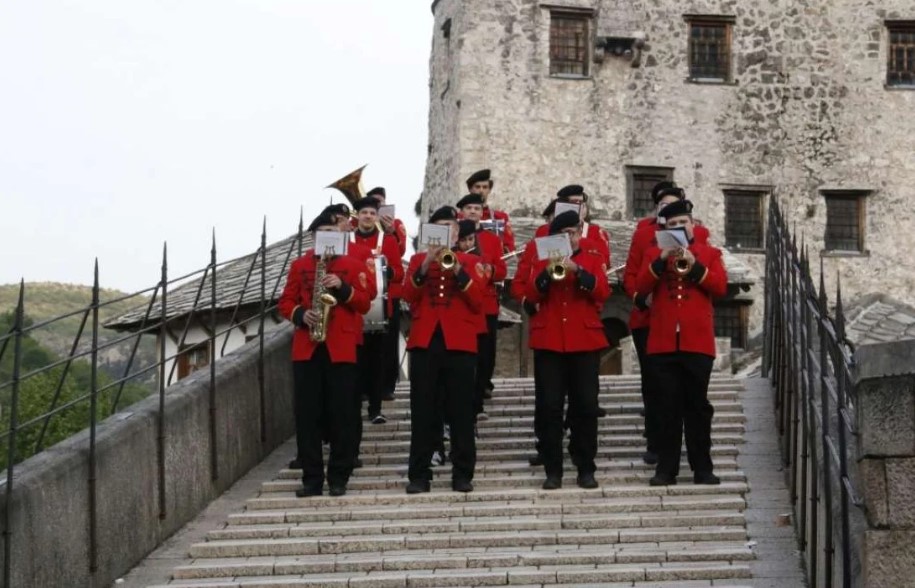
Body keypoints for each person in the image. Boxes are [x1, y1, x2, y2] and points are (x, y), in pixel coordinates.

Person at [277, 211, 375, 497]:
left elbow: (365, 303)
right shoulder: (299, 265)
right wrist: (299, 314)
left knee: (343, 414)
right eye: (321, 234)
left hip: (341, 349)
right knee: (307, 416)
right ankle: (311, 479)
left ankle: (339, 476)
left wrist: (342, 287)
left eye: (331, 232)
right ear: (314, 238)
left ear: (340, 235)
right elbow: (285, 302)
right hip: (307, 348)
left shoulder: (353, 264)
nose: (326, 238)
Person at [635, 199, 727, 486]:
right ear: (664, 228)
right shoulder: (654, 254)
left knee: (697, 407)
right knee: (666, 407)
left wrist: (695, 264)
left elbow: (720, 287)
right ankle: (666, 469)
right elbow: (639, 288)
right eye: (672, 225)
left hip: (696, 341)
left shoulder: (709, 253)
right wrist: (661, 260)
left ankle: (703, 468)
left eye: (682, 223)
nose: (678, 228)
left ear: (692, 225)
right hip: (662, 341)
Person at [623, 181, 709, 465]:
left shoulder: (700, 237)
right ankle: (656, 441)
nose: (667, 211)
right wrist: (641, 298)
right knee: (654, 385)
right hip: (648, 319)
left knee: (688, 396)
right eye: (663, 206)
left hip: (683, 323)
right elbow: (632, 276)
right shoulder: (644, 235)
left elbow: (715, 282)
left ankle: (690, 454)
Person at [524, 211, 611, 490]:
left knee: (585, 406)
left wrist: (578, 271)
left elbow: (602, 293)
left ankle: (586, 467)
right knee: (549, 408)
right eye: (564, 234)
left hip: (584, 341)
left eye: (573, 233)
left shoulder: (593, 258)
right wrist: (549, 273)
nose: (570, 238)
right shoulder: (540, 260)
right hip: (549, 341)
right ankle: (553, 470)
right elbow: (532, 295)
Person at [402, 206, 485, 494]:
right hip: (425, 340)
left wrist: (459, 270)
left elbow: (478, 302)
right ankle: (419, 474)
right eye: (439, 226)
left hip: (459, 341)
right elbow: (408, 296)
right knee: (423, 410)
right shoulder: (416, 261)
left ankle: (462, 473)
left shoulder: (471, 262)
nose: (445, 231)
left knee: (461, 411)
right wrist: (426, 264)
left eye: (450, 227)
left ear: (456, 232)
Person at [351, 196, 404, 425]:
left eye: (372, 214)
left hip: (381, 308)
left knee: (377, 360)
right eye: (364, 213)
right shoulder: (348, 240)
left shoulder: (388, 240)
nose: (369, 217)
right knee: (356, 361)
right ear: (358, 215)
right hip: (354, 309)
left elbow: (399, 273)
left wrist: (383, 271)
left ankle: (376, 409)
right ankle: (354, 407)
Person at [456, 193, 507, 418]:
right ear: (462, 211)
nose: (473, 212)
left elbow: (502, 270)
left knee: (485, 357)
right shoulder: (453, 239)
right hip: (459, 306)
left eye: (477, 208)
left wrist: (489, 271)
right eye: (469, 208)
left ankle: (477, 405)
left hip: (485, 304)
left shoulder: (493, 240)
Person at [364, 187, 408, 402]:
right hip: (364, 295)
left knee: (388, 342)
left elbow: (400, 254)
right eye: (372, 204)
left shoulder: (396, 225)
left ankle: (387, 386)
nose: (376, 208)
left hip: (389, 294)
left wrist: (391, 231)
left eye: (379, 204)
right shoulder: (357, 230)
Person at [534, 185, 611, 265]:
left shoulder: (596, 231)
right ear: (562, 205)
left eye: (582, 203)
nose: (580, 206)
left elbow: (604, 262)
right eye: (574, 202)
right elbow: (536, 259)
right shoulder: (543, 230)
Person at [466, 169, 516, 253]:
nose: (481, 191)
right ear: (470, 189)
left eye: (485, 187)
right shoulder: (459, 217)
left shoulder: (501, 217)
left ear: (489, 190)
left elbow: (509, 246)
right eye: (477, 187)